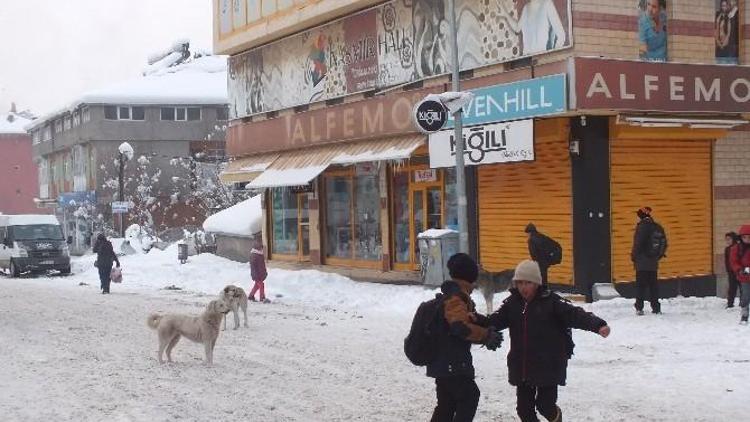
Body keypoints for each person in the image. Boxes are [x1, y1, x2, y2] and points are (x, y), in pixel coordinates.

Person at [488, 260, 610, 422]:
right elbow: (495, 321)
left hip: (548, 365)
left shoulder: (551, 302)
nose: (523, 287)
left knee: (545, 405)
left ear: (537, 283)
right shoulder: (512, 304)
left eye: (528, 283)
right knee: (524, 410)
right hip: (523, 365)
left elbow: (576, 315)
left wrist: (598, 325)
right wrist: (474, 322)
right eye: (520, 283)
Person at [427, 253, 503, 422]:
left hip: (443, 363)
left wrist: (482, 323)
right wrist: (485, 336)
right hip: (452, 364)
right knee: (469, 396)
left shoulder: (454, 295)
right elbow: (458, 327)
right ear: (469, 277)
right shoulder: (456, 298)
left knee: (446, 404)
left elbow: (462, 321)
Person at [631, 206, 664, 315]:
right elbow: (664, 243)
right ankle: (656, 308)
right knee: (653, 286)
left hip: (642, 262)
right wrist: (657, 256)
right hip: (653, 262)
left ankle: (639, 308)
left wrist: (634, 256)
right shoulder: (657, 227)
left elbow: (638, 244)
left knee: (641, 286)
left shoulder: (642, 227)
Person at [728, 225, 750, 324]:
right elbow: (733, 262)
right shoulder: (736, 248)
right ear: (740, 237)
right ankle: (744, 315)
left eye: (749, 237)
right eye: (744, 237)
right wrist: (740, 270)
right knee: (745, 295)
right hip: (744, 276)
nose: (747, 239)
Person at [525, 223, 556, 287]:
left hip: (539, 261)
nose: (527, 235)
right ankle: (544, 290)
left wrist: (535, 261)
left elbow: (533, 252)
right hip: (545, 261)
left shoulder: (531, 240)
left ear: (530, 232)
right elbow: (550, 246)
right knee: (543, 277)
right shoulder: (541, 236)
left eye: (527, 233)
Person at [724, 231, 740, 308]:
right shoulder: (727, 249)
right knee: (732, 288)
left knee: (742, 288)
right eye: (726, 239)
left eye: (729, 239)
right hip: (731, 272)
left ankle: (743, 303)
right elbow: (727, 261)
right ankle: (730, 304)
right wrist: (728, 270)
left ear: (733, 239)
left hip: (740, 271)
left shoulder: (739, 247)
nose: (727, 241)